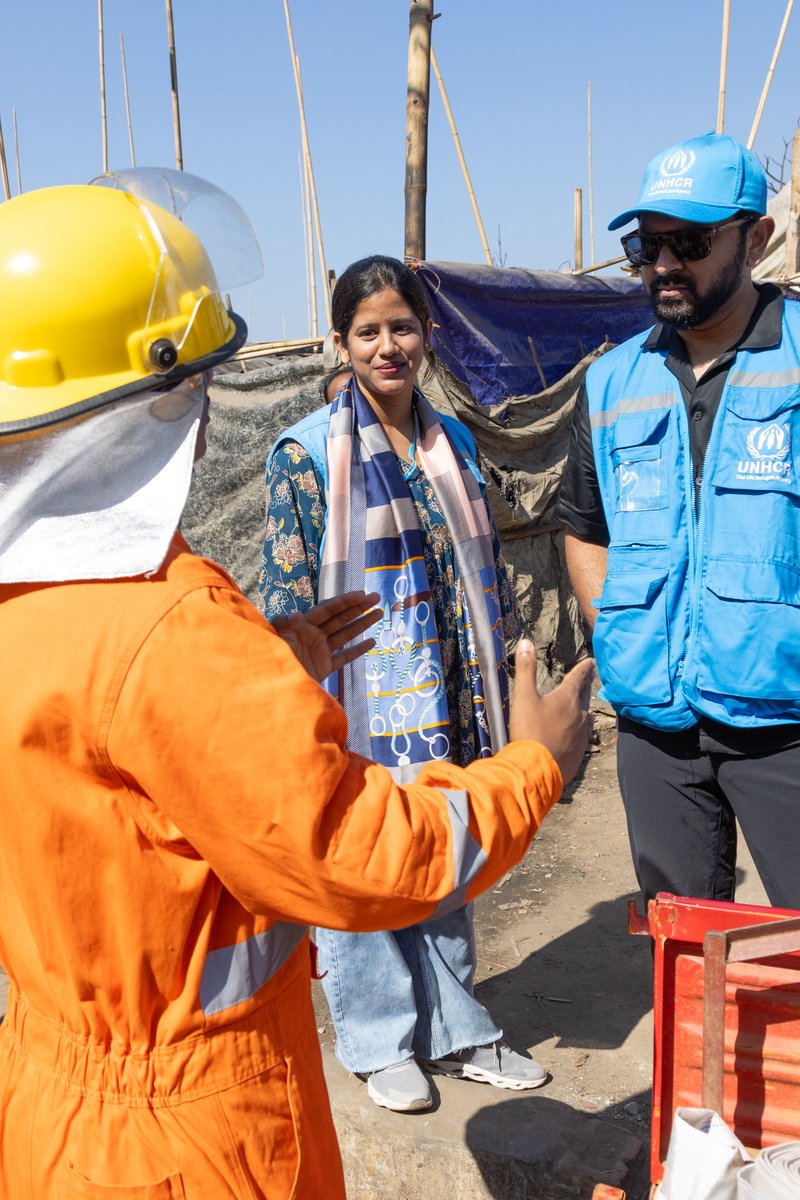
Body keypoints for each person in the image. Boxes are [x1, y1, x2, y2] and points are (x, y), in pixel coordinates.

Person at [0, 176, 593, 1198]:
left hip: (53, 1106)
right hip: (193, 1138)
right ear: (165, 398)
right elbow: (354, 857)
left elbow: (111, 773)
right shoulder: (169, 628)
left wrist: (269, 671)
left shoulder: (35, 599)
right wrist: (532, 766)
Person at [259, 254, 555, 1115]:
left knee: (445, 844)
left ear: (425, 334)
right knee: (364, 853)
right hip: (357, 693)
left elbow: (483, 568)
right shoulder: (306, 456)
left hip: (451, 684)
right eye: (368, 332)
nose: (387, 347)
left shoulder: (449, 440)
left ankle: (458, 1026)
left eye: (402, 327)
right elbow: (286, 600)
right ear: (342, 341)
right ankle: (380, 1034)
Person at [556, 131, 800, 916]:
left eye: (688, 242)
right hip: (656, 723)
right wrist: (617, 627)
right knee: (682, 951)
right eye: (646, 245)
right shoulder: (611, 380)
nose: (663, 264)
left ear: (755, 239)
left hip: (786, 718)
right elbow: (584, 526)